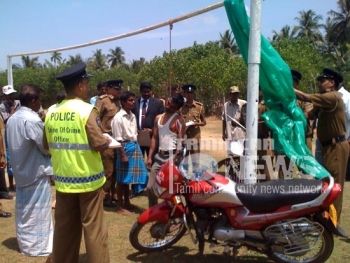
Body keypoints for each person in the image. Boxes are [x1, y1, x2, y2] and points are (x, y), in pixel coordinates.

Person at [44, 63, 110, 263]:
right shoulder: (87, 110)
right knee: (94, 231)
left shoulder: (51, 112)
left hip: (64, 182)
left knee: (64, 231)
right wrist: (107, 140)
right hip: (89, 182)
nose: (88, 85)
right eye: (86, 81)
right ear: (80, 84)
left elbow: (46, 145)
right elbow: (98, 144)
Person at [295, 68, 349, 221]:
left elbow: (306, 97)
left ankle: (334, 222)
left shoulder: (332, 97)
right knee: (325, 182)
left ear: (332, 83)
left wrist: (286, 87)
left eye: (322, 80)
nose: (319, 82)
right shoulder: (325, 100)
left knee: (335, 185)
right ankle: (324, 216)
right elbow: (308, 115)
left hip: (336, 147)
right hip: (326, 146)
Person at [6, 84, 53, 256]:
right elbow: (45, 147)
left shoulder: (12, 118)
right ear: (33, 100)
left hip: (21, 171)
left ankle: (25, 244)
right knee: (38, 213)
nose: (40, 103)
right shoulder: (31, 120)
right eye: (39, 99)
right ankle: (38, 247)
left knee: (24, 212)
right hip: (35, 172)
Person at [111, 91, 148, 212]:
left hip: (134, 146)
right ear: (122, 102)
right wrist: (122, 155)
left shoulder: (133, 115)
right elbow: (117, 138)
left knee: (128, 178)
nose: (133, 102)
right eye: (130, 100)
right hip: (124, 148)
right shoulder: (118, 118)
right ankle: (120, 205)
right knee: (121, 179)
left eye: (133, 100)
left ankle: (127, 202)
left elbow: (134, 133)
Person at [147, 94, 186, 207]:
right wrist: (150, 157)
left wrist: (175, 160)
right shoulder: (158, 118)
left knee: (171, 190)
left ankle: (175, 214)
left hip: (172, 157)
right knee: (150, 187)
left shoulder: (179, 120)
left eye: (171, 102)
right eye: (168, 101)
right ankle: (153, 210)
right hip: (159, 157)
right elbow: (154, 137)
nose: (167, 103)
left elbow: (180, 142)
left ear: (176, 106)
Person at [95, 79, 122, 207]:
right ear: (109, 89)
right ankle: (101, 198)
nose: (119, 91)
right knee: (108, 171)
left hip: (118, 140)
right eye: (116, 89)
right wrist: (101, 135)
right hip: (107, 139)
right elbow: (96, 119)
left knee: (116, 170)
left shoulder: (119, 102)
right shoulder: (103, 101)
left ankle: (112, 196)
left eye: (119, 89)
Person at [133, 81, 165, 157]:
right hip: (138, 136)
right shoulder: (134, 103)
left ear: (151, 91)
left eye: (148, 92)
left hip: (152, 137)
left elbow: (162, 119)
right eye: (144, 92)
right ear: (140, 91)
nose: (146, 94)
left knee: (152, 159)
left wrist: (153, 130)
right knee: (138, 161)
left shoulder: (158, 103)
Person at [180, 84, 206, 155]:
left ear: (194, 94)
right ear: (184, 94)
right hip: (183, 138)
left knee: (195, 161)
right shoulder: (181, 107)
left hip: (195, 137)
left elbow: (204, 122)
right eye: (187, 93)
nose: (189, 95)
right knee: (183, 162)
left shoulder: (199, 106)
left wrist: (196, 124)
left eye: (191, 93)